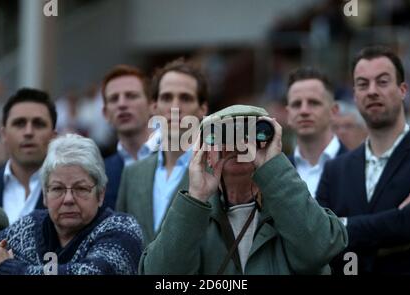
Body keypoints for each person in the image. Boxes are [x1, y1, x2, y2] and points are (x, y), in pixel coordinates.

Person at [139, 105, 347, 275]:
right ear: (205, 152)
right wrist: (196, 198)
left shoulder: (290, 205)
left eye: (249, 133)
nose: (238, 144)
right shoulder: (193, 216)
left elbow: (320, 250)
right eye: (222, 135)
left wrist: (274, 167)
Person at [317, 45, 410, 274]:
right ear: (355, 95)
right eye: (363, 84)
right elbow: (317, 238)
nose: (372, 91)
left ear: (403, 90)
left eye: (383, 81)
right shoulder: (335, 170)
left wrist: (341, 226)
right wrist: (395, 223)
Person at [0, 134, 143, 275]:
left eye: (81, 188)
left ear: (100, 194)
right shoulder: (30, 227)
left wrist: (5, 268)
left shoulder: (122, 229)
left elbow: (90, 272)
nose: (68, 199)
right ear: (45, 195)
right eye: (57, 189)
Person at [117, 59, 208, 245]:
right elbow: (121, 240)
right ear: (154, 107)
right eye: (167, 98)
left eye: (185, 98)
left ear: (202, 109)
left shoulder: (216, 173)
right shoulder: (132, 173)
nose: (175, 107)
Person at [0, 88, 57, 224]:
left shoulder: (71, 194)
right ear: (3, 134)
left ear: (54, 136)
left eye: (38, 124)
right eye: (19, 123)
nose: (28, 132)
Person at [101, 65, 159, 209]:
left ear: (152, 106)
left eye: (131, 96)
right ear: (105, 113)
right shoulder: (99, 173)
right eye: (114, 99)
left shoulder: (176, 161)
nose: (122, 104)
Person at [286, 67, 347, 197]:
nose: (304, 111)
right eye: (297, 104)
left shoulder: (359, 168)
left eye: (313, 103)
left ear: (334, 111)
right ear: (288, 114)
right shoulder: (277, 173)